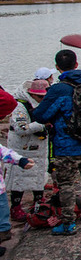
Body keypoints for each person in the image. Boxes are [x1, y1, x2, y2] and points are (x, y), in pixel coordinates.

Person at [32, 49, 81, 236]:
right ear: (77, 64)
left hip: (66, 145)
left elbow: (40, 115)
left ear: (57, 67)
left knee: (66, 184)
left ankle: (68, 223)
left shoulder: (58, 90)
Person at [5, 79, 50, 222]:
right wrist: (42, 125)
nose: (42, 99)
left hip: (38, 145)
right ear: (31, 94)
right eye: (40, 97)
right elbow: (21, 128)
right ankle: (16, 207)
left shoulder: (39, 104)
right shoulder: (19, 106)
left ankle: (39, 202)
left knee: (39, 173)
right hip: (22, 146)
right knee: (20, 176)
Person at [1, 86, 36, 243]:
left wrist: (19, 160)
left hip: (0, 188)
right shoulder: (17, 104)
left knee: (2, 215)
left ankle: (3, 233)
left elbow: (2, 151)